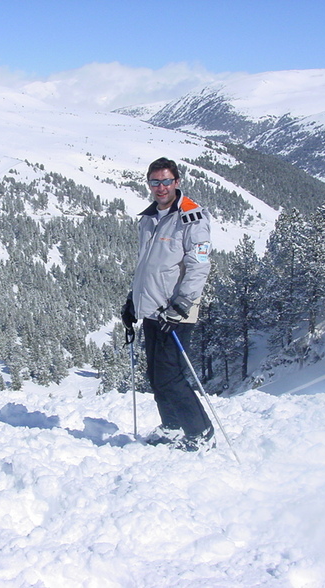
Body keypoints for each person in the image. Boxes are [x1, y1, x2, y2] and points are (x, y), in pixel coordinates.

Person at [122, 157, 214, 451]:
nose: (160, 187)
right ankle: (172, 427)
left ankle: (201, 433)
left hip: (176, 311)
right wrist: (132, 303)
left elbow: (199, 265)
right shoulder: (149, 217)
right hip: (151, 308)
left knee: (170, 376)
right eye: (154, 182)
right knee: (155, 376)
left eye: (166, 181)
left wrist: (182, 304)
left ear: (177, 182)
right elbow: (146, 267)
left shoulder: (192, 217)